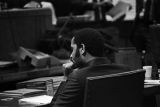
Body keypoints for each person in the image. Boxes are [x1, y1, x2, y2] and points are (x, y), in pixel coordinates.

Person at [50, 28, 131, 107]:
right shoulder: (127, 72)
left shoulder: (77, 78)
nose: (71, 56)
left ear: (82, 49)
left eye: (73, 49)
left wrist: (66, 78)